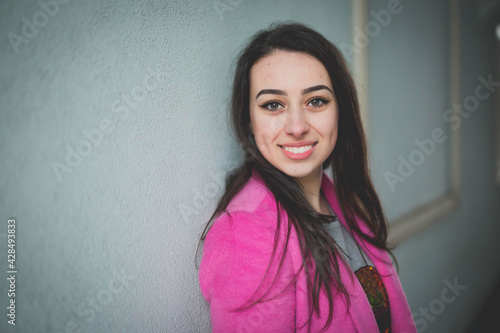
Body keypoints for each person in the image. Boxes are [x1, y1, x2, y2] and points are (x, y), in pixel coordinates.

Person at [197, 22, 417, 333]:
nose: (297, 126)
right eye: (273, 105)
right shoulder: (247, 235)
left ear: (340, 109)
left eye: (316, 101)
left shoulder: (337, 198)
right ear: (248, 119)